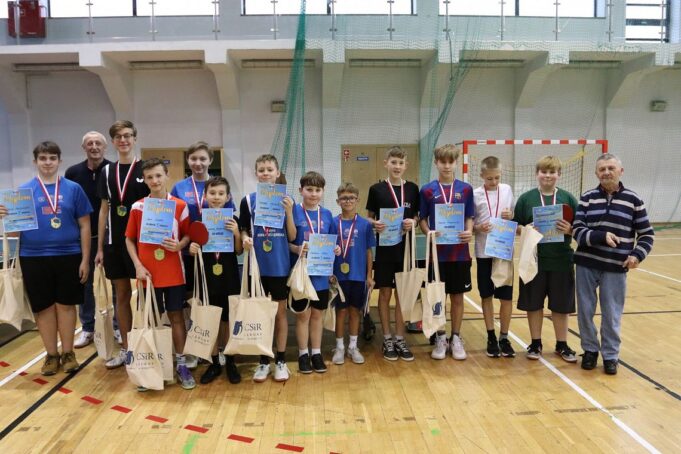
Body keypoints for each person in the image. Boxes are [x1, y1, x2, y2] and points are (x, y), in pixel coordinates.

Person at [0, 142, 92, 375]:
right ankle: (51, 355)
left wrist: (85, 260)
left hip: (69, 255)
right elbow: (14, 234)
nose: (48, 162)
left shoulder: (73, 189)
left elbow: (84, 226)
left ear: (60, 161)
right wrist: (5, 218)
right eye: (43, 158)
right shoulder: (23, 192)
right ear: (35, 162)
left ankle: (68, 353)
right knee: (44, 308)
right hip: (33, 258)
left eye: (52, 158)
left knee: (66, 306)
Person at [573, 153, 654, 375]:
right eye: (602, 169)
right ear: (596, 173)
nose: (606, 172)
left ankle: (610, 356)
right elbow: (577, 230)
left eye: (611, 168)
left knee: (612, 313)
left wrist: (637, 255)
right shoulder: (587, 198)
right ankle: (590, 350)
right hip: (586, 263)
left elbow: (647, 234)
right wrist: (601, 236)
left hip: (616, 267)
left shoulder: (633, 200)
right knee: (585, 311)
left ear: (621, 171)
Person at [125, 157, 195, 390]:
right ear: (144, 180)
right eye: (149, 177)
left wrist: (180, 245)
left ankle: (181, 364)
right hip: (147, 274)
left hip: (174, 272)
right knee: (151, 320)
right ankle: (152, 367)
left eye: (158, 175)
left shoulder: (180, 206)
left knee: (176, 317)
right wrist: (137, 266)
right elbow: (129, 239)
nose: (155, 180)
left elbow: (187, 235)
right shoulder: (138, 207)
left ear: (167, 176)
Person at [512, 155, 578, 362]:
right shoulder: (526, 199)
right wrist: (527, 229)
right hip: (533, 261)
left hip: (561, 261)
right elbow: (515, 226)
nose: (547, 176)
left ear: (559, 174)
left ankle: (562, 344)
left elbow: (579, 228)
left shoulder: (568, 199)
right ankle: (535, 343)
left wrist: (570, 229)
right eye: (544, 172)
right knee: (534, 305)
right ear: (537, 174)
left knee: (561, 306)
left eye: (552, 172)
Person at [95, 120, 150, 369]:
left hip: (141, 243)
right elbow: (103, 210)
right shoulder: (107, 171)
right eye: (118, 136)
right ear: (113, 142)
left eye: (127, 135)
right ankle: (128, 349)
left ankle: (148, 346)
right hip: (114, 243)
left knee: (146, 296)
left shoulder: (145, 168)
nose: (123, 140)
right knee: (122, 296)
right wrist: (99, 248)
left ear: (134, 138)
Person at [239, 154, 296, 382]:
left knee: (280, 313)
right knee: (261, 315)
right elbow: (244, 228)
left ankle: (281, 360)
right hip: (257, 267)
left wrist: (289, 212)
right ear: (256, 174)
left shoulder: (287, 199)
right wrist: (245, 238)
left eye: (269, 169)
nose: (265, 173)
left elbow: (292, 235)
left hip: (280, 265)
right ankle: (263, 360)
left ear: (277, 172)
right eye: (261, 170)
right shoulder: (247, 200)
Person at [419, 144, 475, 361]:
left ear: (456, 163)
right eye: (443, 161)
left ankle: (456, 337)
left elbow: (469, 216)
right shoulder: (427, 190)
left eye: (450, 162)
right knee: (437, 297)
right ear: (436, 163)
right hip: (437, 254)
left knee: (458, 296)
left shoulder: (466, 189)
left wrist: (469, 231)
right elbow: (422, 219)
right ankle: (441, 337)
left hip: (459, 253)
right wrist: (429, 233)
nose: (446, 166)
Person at [365, 146, 419, 362]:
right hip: (385, 250)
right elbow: (368, 217)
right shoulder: (376, 189)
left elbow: (417, 216)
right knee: (385, 294)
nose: (397, 166)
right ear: (385, 163)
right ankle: (387, 338)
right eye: (393, 162)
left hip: (406, 250)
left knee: (402, 295)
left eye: (401, 163)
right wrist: (374, 224)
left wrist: (413, 222)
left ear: (406, 165)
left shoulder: (413, 189)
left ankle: (400, 338)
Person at [187, 176, 243, 384]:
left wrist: (236, 233)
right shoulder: (199, 221)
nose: (216, 197)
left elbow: (239, 251)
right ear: (205, 196)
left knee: (228, 319)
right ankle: (214, 362)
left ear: (228, 197)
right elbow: (193, 248)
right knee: (210, 318)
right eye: (212, 193)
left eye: (221, 193)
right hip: (207, 277)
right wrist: (192, 248)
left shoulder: (233, 220)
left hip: (229, 276)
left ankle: (230, 360)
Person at [65, 131, 113, 349]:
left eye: (98, 143)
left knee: (117, 283)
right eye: (90, 143)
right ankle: (88, 328)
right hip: (83, 238)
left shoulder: (113, 170)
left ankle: (117, 327)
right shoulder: (73, 172)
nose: (94, 146)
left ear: (105, 147)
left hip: (110, 237)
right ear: (84, 147)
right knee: (84, 283)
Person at [290, 171, 340, 374]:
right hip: (301, 274)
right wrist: (296, 248)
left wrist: (336, 249)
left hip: (320, 273)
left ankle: (316, 353)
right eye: (309, 189)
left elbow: (331, 241)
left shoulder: (327, 214)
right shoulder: (294, 212)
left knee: (318, 314)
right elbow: (286, 241)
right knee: (303, 315)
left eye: (317, 190)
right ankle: (303, 354)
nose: (313, 194)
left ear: (323, 192)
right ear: (300, 190)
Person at [472, 156, 516, 358]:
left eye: (497, 178)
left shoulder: (507, 190)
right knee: (486, 295)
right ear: (482, 175)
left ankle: (504, 337)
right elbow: (470, 223)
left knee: (506, 297)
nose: (494, 182)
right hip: (483, 252)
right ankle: (491, 336)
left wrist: (511, 216)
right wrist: (478, 227)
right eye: (489, 178)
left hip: (503, 250)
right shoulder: (475, 194)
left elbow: (512, 214)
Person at [331, 183, 375, 365]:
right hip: (338, 277)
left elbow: (368, 251)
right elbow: (327, 248)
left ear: (358, 200)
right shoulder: (333, 223)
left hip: (358, 276)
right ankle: (340, 347)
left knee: (355, 311)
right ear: (338, 201)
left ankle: (353, 347)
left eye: (351, 198)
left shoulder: (365, 224)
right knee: (341, 311)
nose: (347, 201)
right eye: (344, 198)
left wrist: (369, 275)